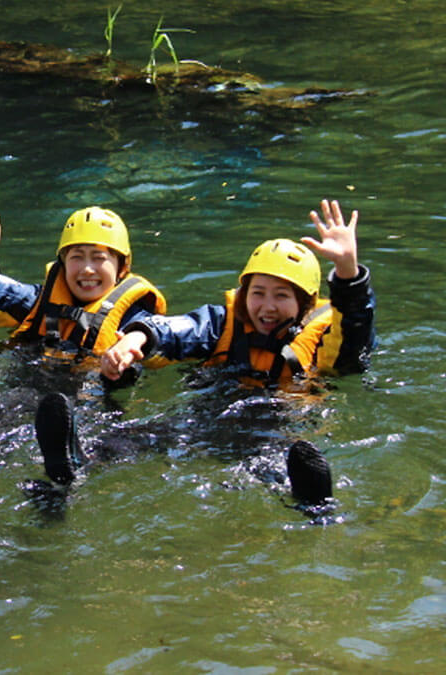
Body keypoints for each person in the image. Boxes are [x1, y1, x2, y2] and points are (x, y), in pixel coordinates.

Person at [99, 199, 376, 510]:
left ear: (305, 304)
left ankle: (315, 507)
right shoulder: (222, 324)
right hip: (211, 413)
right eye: (258, 293)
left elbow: (354, 335)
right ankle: (73, 470)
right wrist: (137, 337)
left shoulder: (319, 341)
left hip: (280, 422)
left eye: (281, 296)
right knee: (124, 439)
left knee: (272, 467)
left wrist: (347, 270)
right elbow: (177, 329)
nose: (267, 306)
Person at [0, 207, 167, 486]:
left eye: (99, 258)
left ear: (122, 268)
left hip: (92, 395)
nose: (87, 269)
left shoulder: (134, 318)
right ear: (62, 263)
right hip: (33, 385)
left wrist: (135, 344)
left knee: (113, 443)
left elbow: (164, 338)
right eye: (76, 257)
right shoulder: (39, 301)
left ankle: (66, 480)